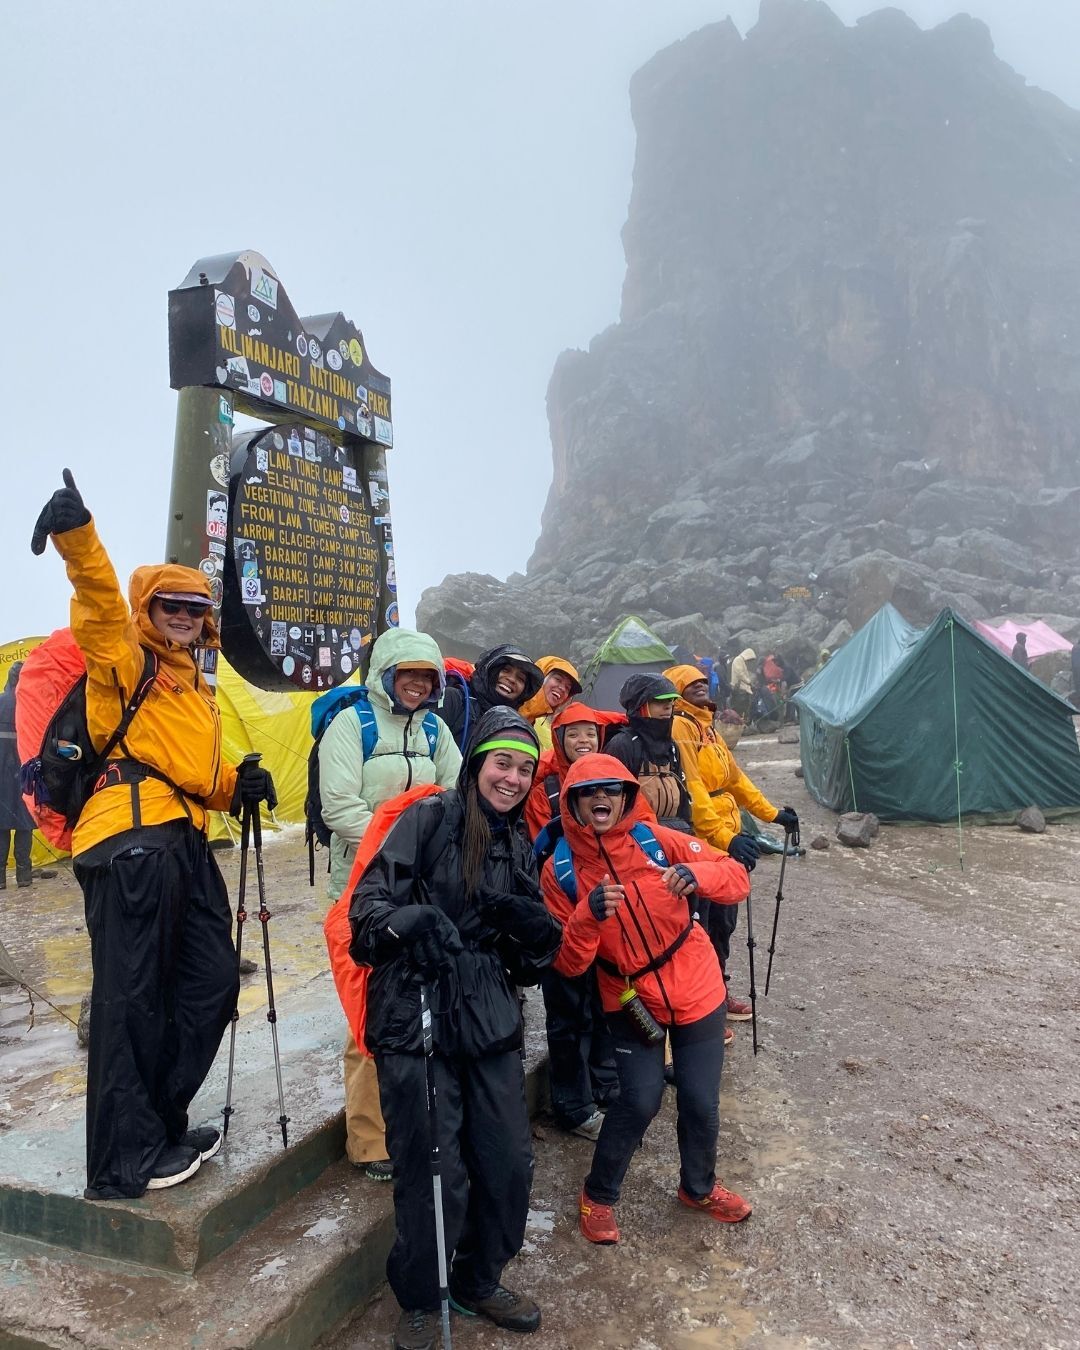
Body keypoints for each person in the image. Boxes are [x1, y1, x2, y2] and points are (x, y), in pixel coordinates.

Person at [30, 470, 277, 1199]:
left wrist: (240, 786)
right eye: (170, 604)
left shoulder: (194, 689)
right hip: (129, 842)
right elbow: (101, 609)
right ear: (149, 608)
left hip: (182, 841)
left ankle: (162, 1123)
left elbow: (195, 776)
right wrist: (80, 538)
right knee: (130, 1000)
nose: (185, 616)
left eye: (196, 608)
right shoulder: (125, 660)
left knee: (209, 986)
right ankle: (121, 1163)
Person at [349, 708, 561, 1350]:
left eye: (526, 768)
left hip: (489, 1015)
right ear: (476, 765)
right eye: (503, 762)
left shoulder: (518, 841)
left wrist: (534, 932)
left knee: (509, 1162)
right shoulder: (431, 818)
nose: (514, 778)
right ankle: (422, 1296)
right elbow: (367, 913)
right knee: (434, 1166)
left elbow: (528, 962)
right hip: (416, 1010)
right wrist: (408, 924)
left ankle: (477, 1279)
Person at [542, 753, 752, 1245]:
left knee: (701, 1101)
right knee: (638, 1100)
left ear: (626, 796)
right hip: (628, 994)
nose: (601, 798)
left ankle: (698, 1188)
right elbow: (570, 965)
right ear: (572, 802)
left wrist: (699, 877)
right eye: (588, 791)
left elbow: (736, 878)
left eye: (611, 789)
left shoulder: (657, 841)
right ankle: (598, 1194)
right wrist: (587, 917)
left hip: (696, 983)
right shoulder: (562, 872)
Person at [319, 627, 461, 1181]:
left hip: (419, 889)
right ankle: (370, 1141)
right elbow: (338, 807)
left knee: (420, 1004)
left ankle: (418, 1122)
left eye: (427, 677)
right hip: (360, 890)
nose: (418, 686)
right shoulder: (349, 726)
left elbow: (453, 794)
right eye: (408, 675)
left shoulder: (435, 731)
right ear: (386, 676)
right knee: (366, 1009)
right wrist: (403, 846)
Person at [664, 665, 799, 1023]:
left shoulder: (707, 729)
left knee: (724, 921)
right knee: (706, 922)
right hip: (703, 841)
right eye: (689, 682)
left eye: (702, 682)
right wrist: (727, 839)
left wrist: (772, 815)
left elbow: (736, 780)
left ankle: (717, 994)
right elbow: (694, 791)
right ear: (676, 690)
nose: (699, 686)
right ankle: (706, 1002)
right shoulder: (680, 727)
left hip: (726, 837)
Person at [523, 702, 624, 1141]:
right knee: (568, 1016)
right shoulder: (542, 785)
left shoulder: (610, 774)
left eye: (590, 733)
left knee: (604, 1008)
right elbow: (531, 839)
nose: (583, 741)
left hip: (602, 911)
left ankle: (606, 1087)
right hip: (559, 906)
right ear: (557, 737)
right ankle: (574, 1105)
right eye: (573, 733)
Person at [603, 674, 693, 833]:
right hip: (636, 836)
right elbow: (611, 802)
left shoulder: (672, 747)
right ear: (640, 706)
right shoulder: (622, 745)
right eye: (659, 701)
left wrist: (688, 834)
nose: (668, 707)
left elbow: (684, 802)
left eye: (671, 701)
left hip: (675, 834)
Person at [438, 644, 543, 751]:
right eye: (506, 670)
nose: (512, 679)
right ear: (489, 670)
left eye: (520, 678)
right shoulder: (454, 699)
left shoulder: (514, 729)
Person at [0, 662, 35, 890]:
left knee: (0, 827)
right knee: (24, 826)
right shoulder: (28, 702)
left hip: (1, 775)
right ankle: (24, 877)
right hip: (22, 773)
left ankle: (0, 880)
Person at [517, 655, 582, 750]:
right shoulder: (513, 703)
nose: (562, 688)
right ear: (540, 676)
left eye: (567, 687)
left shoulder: (535, 720)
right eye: (558, 679)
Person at [729, 648, 758, 718]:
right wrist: (749, 682)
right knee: (741, 708)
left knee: (744, 707)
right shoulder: (738, 660)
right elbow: (740, 674)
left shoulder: (741, 660)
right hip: (740, 689)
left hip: (742, 688)